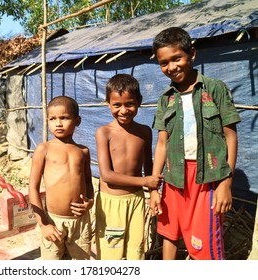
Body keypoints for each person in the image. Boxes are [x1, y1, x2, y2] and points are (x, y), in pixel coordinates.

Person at [149, 27, 241, 260]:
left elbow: (230, 136)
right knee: (169, 232)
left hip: (207, 178)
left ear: (192, 54)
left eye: (176, 58)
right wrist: (154, 188)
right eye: (164, 63)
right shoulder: (166, 99)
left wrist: (226, 183)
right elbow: (161, 144)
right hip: (173, 177)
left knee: (205, 245)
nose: (171, 67)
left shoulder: (214, 88)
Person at [95, 74, 162, 260]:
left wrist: (153, 192)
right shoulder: (104, 133)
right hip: (111, 204)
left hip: (137, 201)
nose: (123, 110)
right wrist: (144, 181)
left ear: (139, 101)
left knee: (136, 251)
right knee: (112, 254)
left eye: (129, 104)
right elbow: (107, 175)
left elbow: (149, 166)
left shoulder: (144, 132)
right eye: (117, 105)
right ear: (108, 103)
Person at [29, 95, 94, 260]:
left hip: (80, 220)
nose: (58, 123)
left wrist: (90, 202)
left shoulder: (83, 151)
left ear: (77, 121)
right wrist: (43, 224)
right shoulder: (44, 149)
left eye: (64, 118)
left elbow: (87, 181)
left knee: (82, 262)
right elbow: (33, 188)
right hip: (53, 220)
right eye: (52, 119)